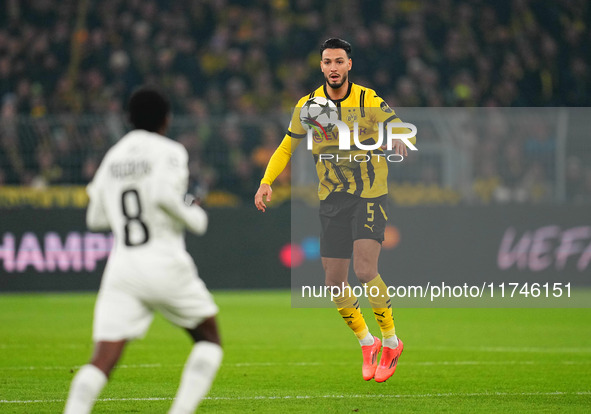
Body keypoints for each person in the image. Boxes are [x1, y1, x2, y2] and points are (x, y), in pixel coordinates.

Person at [254, 38, 415, 383]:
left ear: (349, 65)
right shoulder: (308, 106)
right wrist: (267, 180)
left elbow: (395, 122)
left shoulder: (367, 99)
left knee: (365, 269)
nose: (333, 68)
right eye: (327, 62)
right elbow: (286, 147)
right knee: (332, 280)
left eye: (339, 61)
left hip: (370, 193)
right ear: (322, 67)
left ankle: (390, 341)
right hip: (332, 198)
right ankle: (366, 341)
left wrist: (399, 135)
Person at [64, 86, 222, 413]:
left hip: (123, 268)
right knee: (209, 340)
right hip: (164, 261)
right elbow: (165, 196)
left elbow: (95, 218)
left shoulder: (114, 156)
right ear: (166, 120)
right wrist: (194, 214)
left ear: (128, 119)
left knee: (102, 359)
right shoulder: (170, 150)